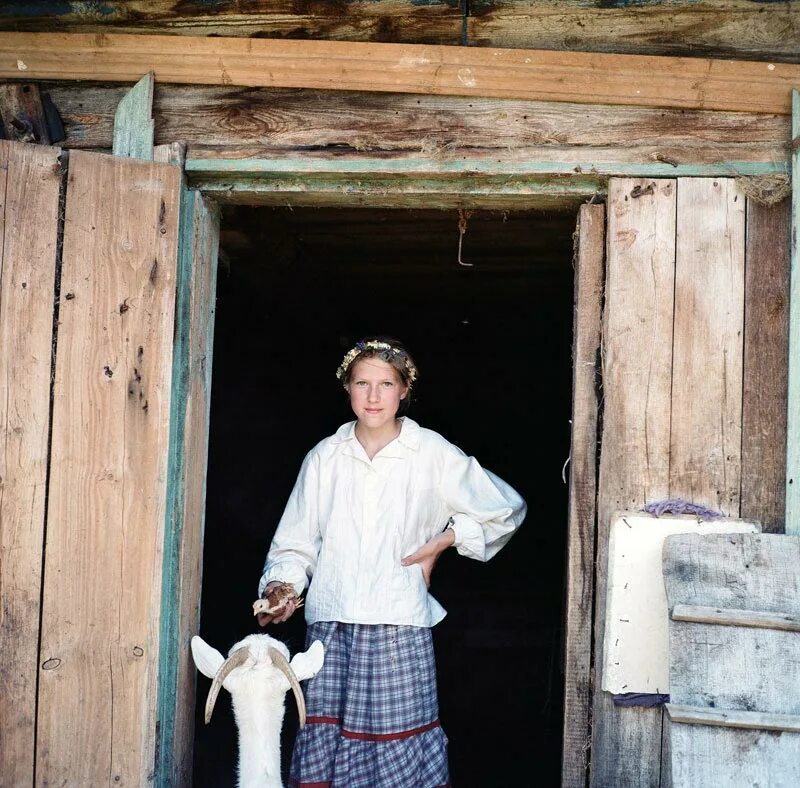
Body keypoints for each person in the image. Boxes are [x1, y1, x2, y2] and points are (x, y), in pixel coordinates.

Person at [257, 337, 526, 787]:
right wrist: (281, 590)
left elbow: (504, 508)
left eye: (386, 383)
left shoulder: (430, 452)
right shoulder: (326, 457)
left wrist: (445, 540)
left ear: (405, 391)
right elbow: (296, 543)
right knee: (329, 743)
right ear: (348, 388)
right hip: (331, 626)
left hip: (399, 624)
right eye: (362, 383)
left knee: (396, 748)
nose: (374, 395)